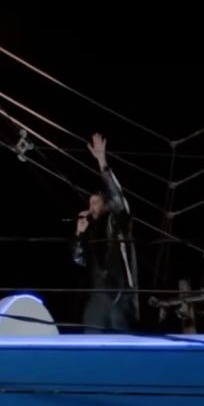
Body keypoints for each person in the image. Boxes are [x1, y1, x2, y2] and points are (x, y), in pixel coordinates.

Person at [71, 132, 137, 334]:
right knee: (90, 341)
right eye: (89, 203)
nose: (91, 207)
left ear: (106, 206)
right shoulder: (90, 232)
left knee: (121, 344)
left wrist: (102, 161)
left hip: (119, 295)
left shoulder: (116, 221)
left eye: (96, 202)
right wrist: (79, 234)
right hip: (97, 298)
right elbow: (78, 261)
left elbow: (117, 198)